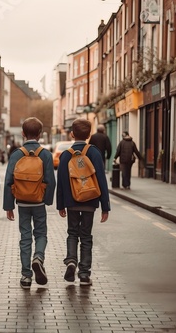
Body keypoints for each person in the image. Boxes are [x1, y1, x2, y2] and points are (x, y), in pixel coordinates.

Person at [3, 117, 56, 289]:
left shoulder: (17, 154)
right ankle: (38, 257)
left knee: (25, 238)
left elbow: (9, 180)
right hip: (38, 203)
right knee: (41, 234)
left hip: (22, 204)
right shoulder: (46, 154)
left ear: (23, 134)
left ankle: (26, 276)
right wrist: (46, 200)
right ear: (40, 135)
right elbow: (51, 181)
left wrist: (9, 206)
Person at [56, 118, 110, 286]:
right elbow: (101, 179)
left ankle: (71, 261)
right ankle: (84, 273)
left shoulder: (66, 155)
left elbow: (62, 182)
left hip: (72, 201)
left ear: (72, 134)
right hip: (90, 200)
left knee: (72, 233)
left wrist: (60, 205)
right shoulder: (94, 153)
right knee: (86, 236)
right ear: (89, 135)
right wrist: (105, 206)